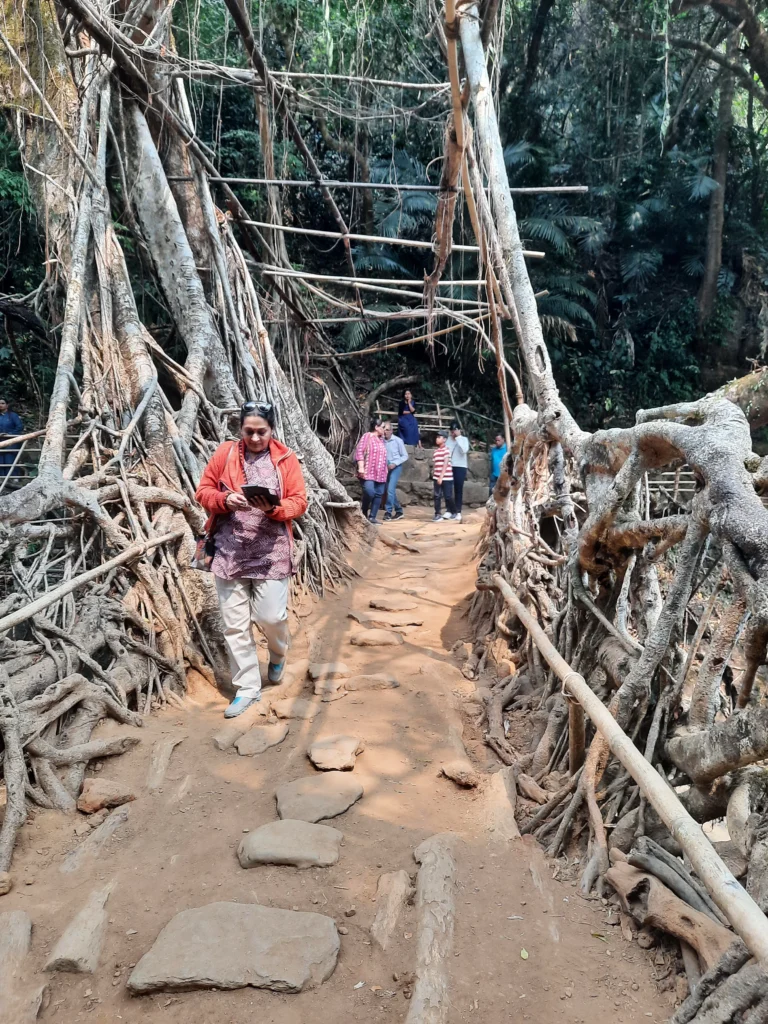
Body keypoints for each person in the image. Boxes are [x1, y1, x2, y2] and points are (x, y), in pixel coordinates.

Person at [196, 401, 308, 718]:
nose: (256, 438)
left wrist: (275, 509)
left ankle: (277, 654)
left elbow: (300, 501)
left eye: (262, 432)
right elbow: (202, 490)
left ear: (272, 430)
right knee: (235, 626)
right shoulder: (226, 454)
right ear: (240, 430)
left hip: (272, 553)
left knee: (271, 617)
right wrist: (223, 499)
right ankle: (247, 689)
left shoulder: (285, 459)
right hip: (229, 552)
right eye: (249, 431)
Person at [354, 417, 388, 522]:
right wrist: (361, 467)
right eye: (383, 427)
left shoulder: (382, 440)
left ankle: (373, 517)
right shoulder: (367, 436)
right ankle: (364, 511)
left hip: (381, 473)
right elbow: (360, 451)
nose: (384, 430)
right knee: (369, 492)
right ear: (376, 427)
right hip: (368, 471)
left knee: (378, 494)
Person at [382, 420, 408, 521]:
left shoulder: (398, 441)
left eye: (388, 430)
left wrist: (395, 463)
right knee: (388, 490)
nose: (385, 432)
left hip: (395, 467)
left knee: (390, 489)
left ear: (392, 431)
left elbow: (405, 456)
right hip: (385, 468)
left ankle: (388, 512)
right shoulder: (381, 441)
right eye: (384, 429)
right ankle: (399, 511)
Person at [446, 422, 469, 522]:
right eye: (451, 431)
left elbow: (464, 450)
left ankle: (458, 511)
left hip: (460, 466)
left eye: (454, 431)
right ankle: (449, 510)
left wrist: (458, 437)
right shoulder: (448, 440)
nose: (453, 433)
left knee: (458, 489)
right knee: (448, 489)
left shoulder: (464, 439)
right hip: (449, 466)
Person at [432, 430, 456, 522]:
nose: (437, 439)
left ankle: (454, 511)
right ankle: (437, 513)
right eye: (437, 437)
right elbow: (436, 464)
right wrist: (436, 476)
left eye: (439, 437)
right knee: (437, 496)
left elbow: (446, 463)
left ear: (445, 439)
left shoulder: (446, 450)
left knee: (448, 496)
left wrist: (441, 477)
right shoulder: (436, 451)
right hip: (437, 476)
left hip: (446, 477)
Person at [0, 397, 23, 478]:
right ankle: (2, 480)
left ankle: (13, 479)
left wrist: (8, 434)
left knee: (10, 460)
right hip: (0, 441)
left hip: (11, 441)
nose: (0, 405)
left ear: (7, 405)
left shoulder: (13, 416)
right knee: (1, 461)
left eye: (2, 403)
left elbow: (19, 427)